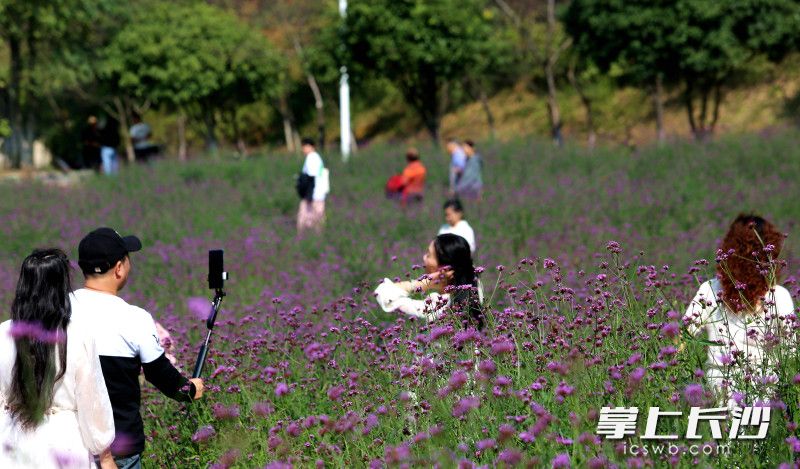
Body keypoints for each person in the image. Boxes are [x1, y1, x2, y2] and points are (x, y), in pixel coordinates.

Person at [70, 228, 204, 469]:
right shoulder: (135, 318)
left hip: (69, 445)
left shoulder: (58, 309)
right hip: (119, 449)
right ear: (119, 268)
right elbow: (162, 377)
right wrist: (190, 389)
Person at [0, 248, 116, 469]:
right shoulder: (78, 335)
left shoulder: (3, 333)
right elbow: (92, 401)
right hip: (64, 443)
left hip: (11, 439)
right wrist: (106, 455)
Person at [682, 215, 795, 408]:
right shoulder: (779, 296)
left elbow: (682, 336)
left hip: (719, 386)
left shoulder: (710, 289)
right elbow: (790, 352)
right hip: (765, 389)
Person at [375, 234, 484, 329]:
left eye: (428, 255)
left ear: (444, 269)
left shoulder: (437, 306)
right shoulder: (475, 291)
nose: (424, 258)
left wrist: (420, 284)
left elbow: (383, 293)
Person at [296, 138, 329, 234]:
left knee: (307, 214)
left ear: (310, 147)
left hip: (313, 192)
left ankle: (305, 235)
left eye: (304, 147)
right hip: (318, 192)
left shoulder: (311, 158)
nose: (303, 149)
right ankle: (317, 234)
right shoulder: (316, 157)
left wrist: (306, 192)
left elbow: (311, 176)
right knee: (317, 215)